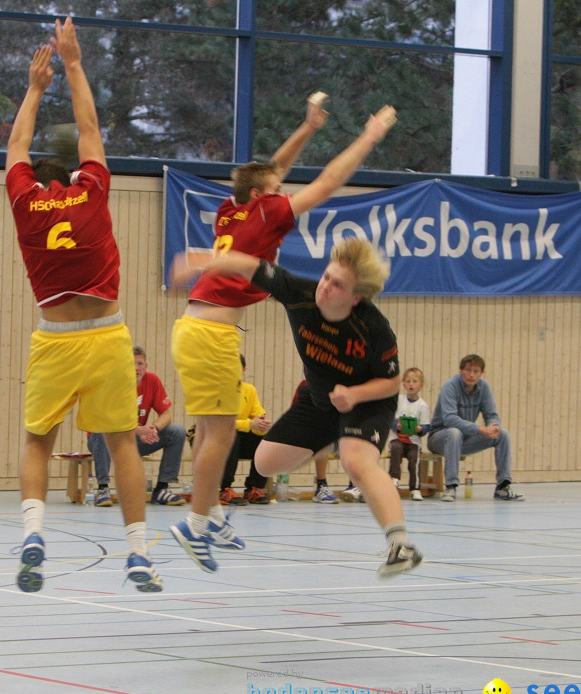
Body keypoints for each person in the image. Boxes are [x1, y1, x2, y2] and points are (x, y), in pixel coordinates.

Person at [168, 98, 397, 573]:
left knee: (214, 429)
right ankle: (196, 523)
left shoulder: (234, 210)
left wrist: (308, 125)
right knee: (220, 433)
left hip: (195, 329)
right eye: (277, 189)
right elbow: (328, 182)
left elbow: (271, 168)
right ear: (265, 197)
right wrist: (370, 135)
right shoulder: (269, 212)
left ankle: (211, 514)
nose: (282, 189)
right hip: (211, 334)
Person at [5, 18, 160, 593]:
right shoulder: (92, 188)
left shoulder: (23, 202)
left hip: (54, 335)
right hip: (105, 335)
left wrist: (34, 87)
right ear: (70, 175)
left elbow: (15, 146)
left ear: (33, 181)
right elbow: (91, 126)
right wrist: (71, 63)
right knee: (121, 442)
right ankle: (139, 553)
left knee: (37, 443)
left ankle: (33, 536)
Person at [170, 237, 423, 578]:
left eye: (338, 285)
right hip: (319, 400)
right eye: (326, 277)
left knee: (356, 461)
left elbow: (391, 381)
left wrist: (355, 395)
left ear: (355, 296)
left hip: (365, 400)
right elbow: (249, 265)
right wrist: (199, 258)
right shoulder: (299, 291)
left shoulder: (373, 327)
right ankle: (331, 439)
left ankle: (400, 544)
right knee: (264, 461)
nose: (326, 287)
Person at [86, 345, 186, 508]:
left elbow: (166, 414)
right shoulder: (114, 382)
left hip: (135, 440)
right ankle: (103, 489)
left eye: (140, 364)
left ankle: (162, 488)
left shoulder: (152, 381)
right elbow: (108, 420)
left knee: (177, 432)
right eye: (132, 363)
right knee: (100, 429)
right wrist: (138, 430)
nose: (136, 368)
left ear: (146, 366)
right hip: (109, 439)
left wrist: (154, 428)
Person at [424, 355, 523, 502]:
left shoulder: (484, 387)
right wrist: (479, 429)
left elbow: (491, 414)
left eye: (476, 371)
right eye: (468, 370)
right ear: (461, 371)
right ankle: (451, 486)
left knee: (503, 434)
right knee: (454, 432)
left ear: (481, 373)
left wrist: (493, 426)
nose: (471, 375)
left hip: (465, 438)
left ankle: (503, 486)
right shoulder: (450, 386)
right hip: (439, 438)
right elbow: (450, 419)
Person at [219, 354, 271, 506]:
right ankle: (225, 489)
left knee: (268, 439)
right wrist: (249, 424)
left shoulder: (249, 390)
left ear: (244, 370)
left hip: (238, 438)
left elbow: (259, 415)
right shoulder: (218, 390)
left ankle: (254, 488)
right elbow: (222, 423)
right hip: (213, 437)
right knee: (232, 434)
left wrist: (263, 425)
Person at [385, 368, 431, 501]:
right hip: (398, 439)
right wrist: (396, 425)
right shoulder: (398, 400)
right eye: (408, 381)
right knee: (396, 449)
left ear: (421, 385)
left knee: (414, 459)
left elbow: (426, 426)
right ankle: (394, 478)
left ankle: (415, 488)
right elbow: (390, 419)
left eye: (415, 381)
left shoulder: (422, 406)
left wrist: (419, 429)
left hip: (413, 441)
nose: (411, 384)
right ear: (404, 384)